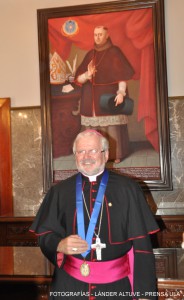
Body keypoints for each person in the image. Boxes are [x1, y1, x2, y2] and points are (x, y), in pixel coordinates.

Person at [30, 129, 159, 300]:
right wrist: (59, 244)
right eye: (80, 151)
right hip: (69, 286)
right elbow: (44, 235)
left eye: (92, 150)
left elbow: (142, 247)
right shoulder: (59, 192)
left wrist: (145, 294)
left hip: (117, 288)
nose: (86, 156)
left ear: (105, 155)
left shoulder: (128, 189)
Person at [75, 26, 135, 163]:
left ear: (107, 36)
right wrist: (87, 75)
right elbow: (78, 79)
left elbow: (122, 76)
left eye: (100, 35)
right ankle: (96, 156)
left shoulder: (115, 52)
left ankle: (115, 154)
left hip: (109, 98)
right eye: (95, 35)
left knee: (112, 129)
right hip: (91, 101)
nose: (97, 37)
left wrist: (121, 93)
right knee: (94, 131)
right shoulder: (90, 54)